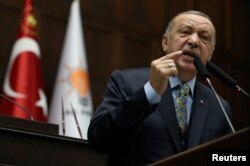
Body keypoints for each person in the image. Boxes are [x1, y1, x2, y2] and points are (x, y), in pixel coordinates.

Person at [87, 10, 231, 166]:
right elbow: (98, 138)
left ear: (210, 54)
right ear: (165, 43)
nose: (194, 41)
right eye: (185, 32)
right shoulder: (127, 82)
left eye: (204, 37)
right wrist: (150, 92)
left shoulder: (219, 107)